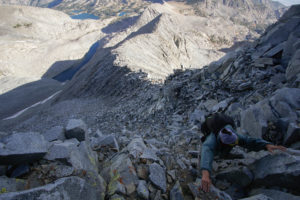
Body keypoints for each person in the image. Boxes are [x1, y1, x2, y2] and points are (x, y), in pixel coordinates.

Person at [199, 113, 286, 192]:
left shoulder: (234, 135)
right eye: (232, 143)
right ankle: (220, 154)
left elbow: (249, 141)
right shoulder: (212, 139)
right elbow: (207, 150)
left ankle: (224, 154)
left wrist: (266, 145)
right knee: (212, 152)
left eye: (235, 143)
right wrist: (205, 174)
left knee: (230, 146)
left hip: (225, 131)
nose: (234, 144)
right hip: (214, 136)